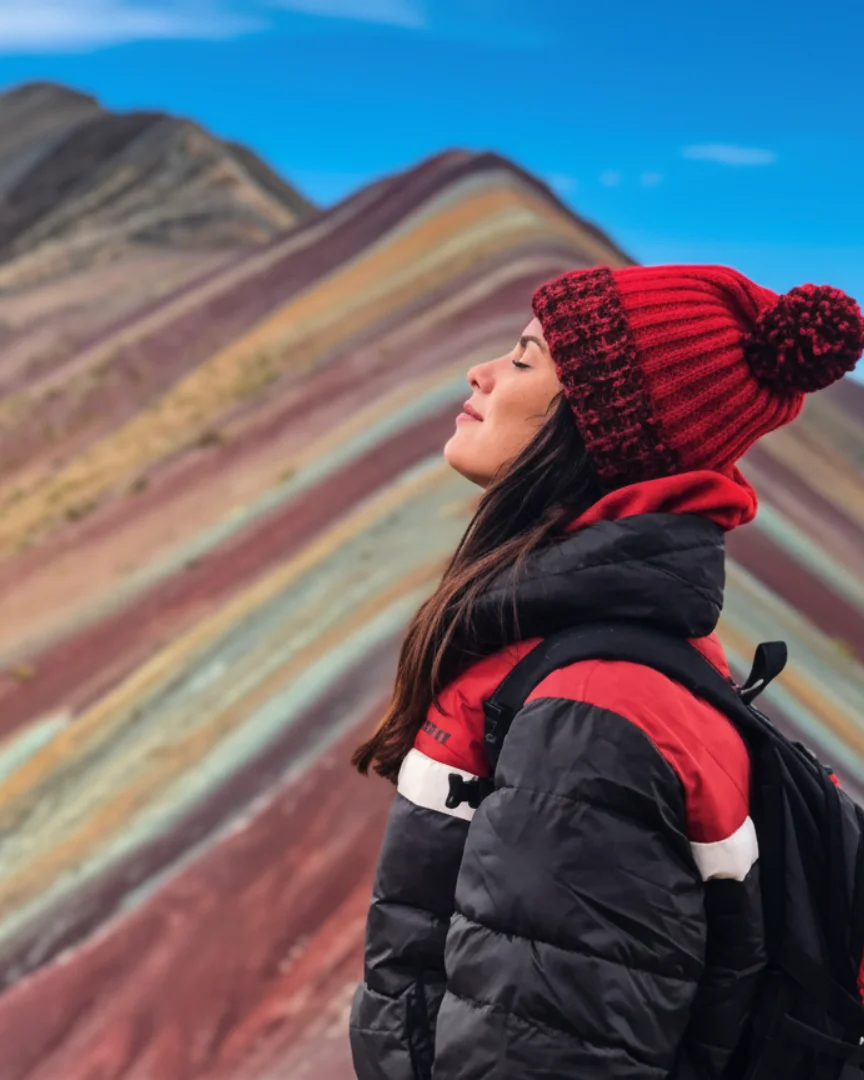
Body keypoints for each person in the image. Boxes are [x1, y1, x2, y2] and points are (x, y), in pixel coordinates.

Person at [348, 264, 864, 1080]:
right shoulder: (607, 671)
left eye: (523, 359)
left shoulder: (588, 716)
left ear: (599, 425)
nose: (479, 374)